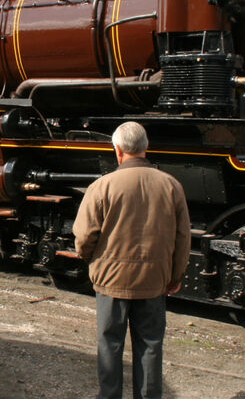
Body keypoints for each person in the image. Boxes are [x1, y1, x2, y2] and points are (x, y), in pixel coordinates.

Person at [73, 121, 191, 399]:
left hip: (110, 279)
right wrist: (175, 276)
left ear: (118, 150)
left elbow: (83, 236)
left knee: (109, 343)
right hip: (154, 280)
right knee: (150, 344)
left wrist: (90, 260)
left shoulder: (102, 186)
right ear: (145, 148)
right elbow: (183, 237)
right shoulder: (172, 185)